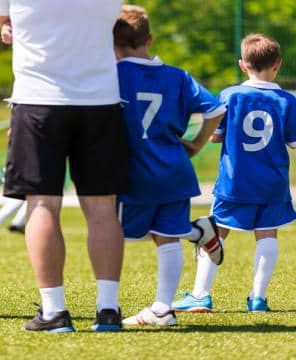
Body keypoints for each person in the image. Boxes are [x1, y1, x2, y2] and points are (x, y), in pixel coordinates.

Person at [0, 0, 127, 332]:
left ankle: (54, 311)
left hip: (39, 100)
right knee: (102, 207)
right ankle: (108, 310)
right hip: (100, 99)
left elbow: (4, 21)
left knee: (41, 203)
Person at [112, 5, 225, 327]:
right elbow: (216, 109)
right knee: (167, 235)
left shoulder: (112, 75)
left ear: (111, 42)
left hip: (136, 172)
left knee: (120, 235)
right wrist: (198, 143)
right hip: (175, 169)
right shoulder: (178, 76)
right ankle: (163, 306)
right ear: (150, 38)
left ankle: (195, 235)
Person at [173, 34, 296, 313]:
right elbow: (293, 141)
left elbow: (216, 136)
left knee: (215, 232)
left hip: (235, 181)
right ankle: (258, 299)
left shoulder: (230, 95)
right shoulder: (287, 100)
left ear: (242, 65)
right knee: (267, 236)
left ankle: (200, 295)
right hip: (273, 184)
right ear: (278, 64)